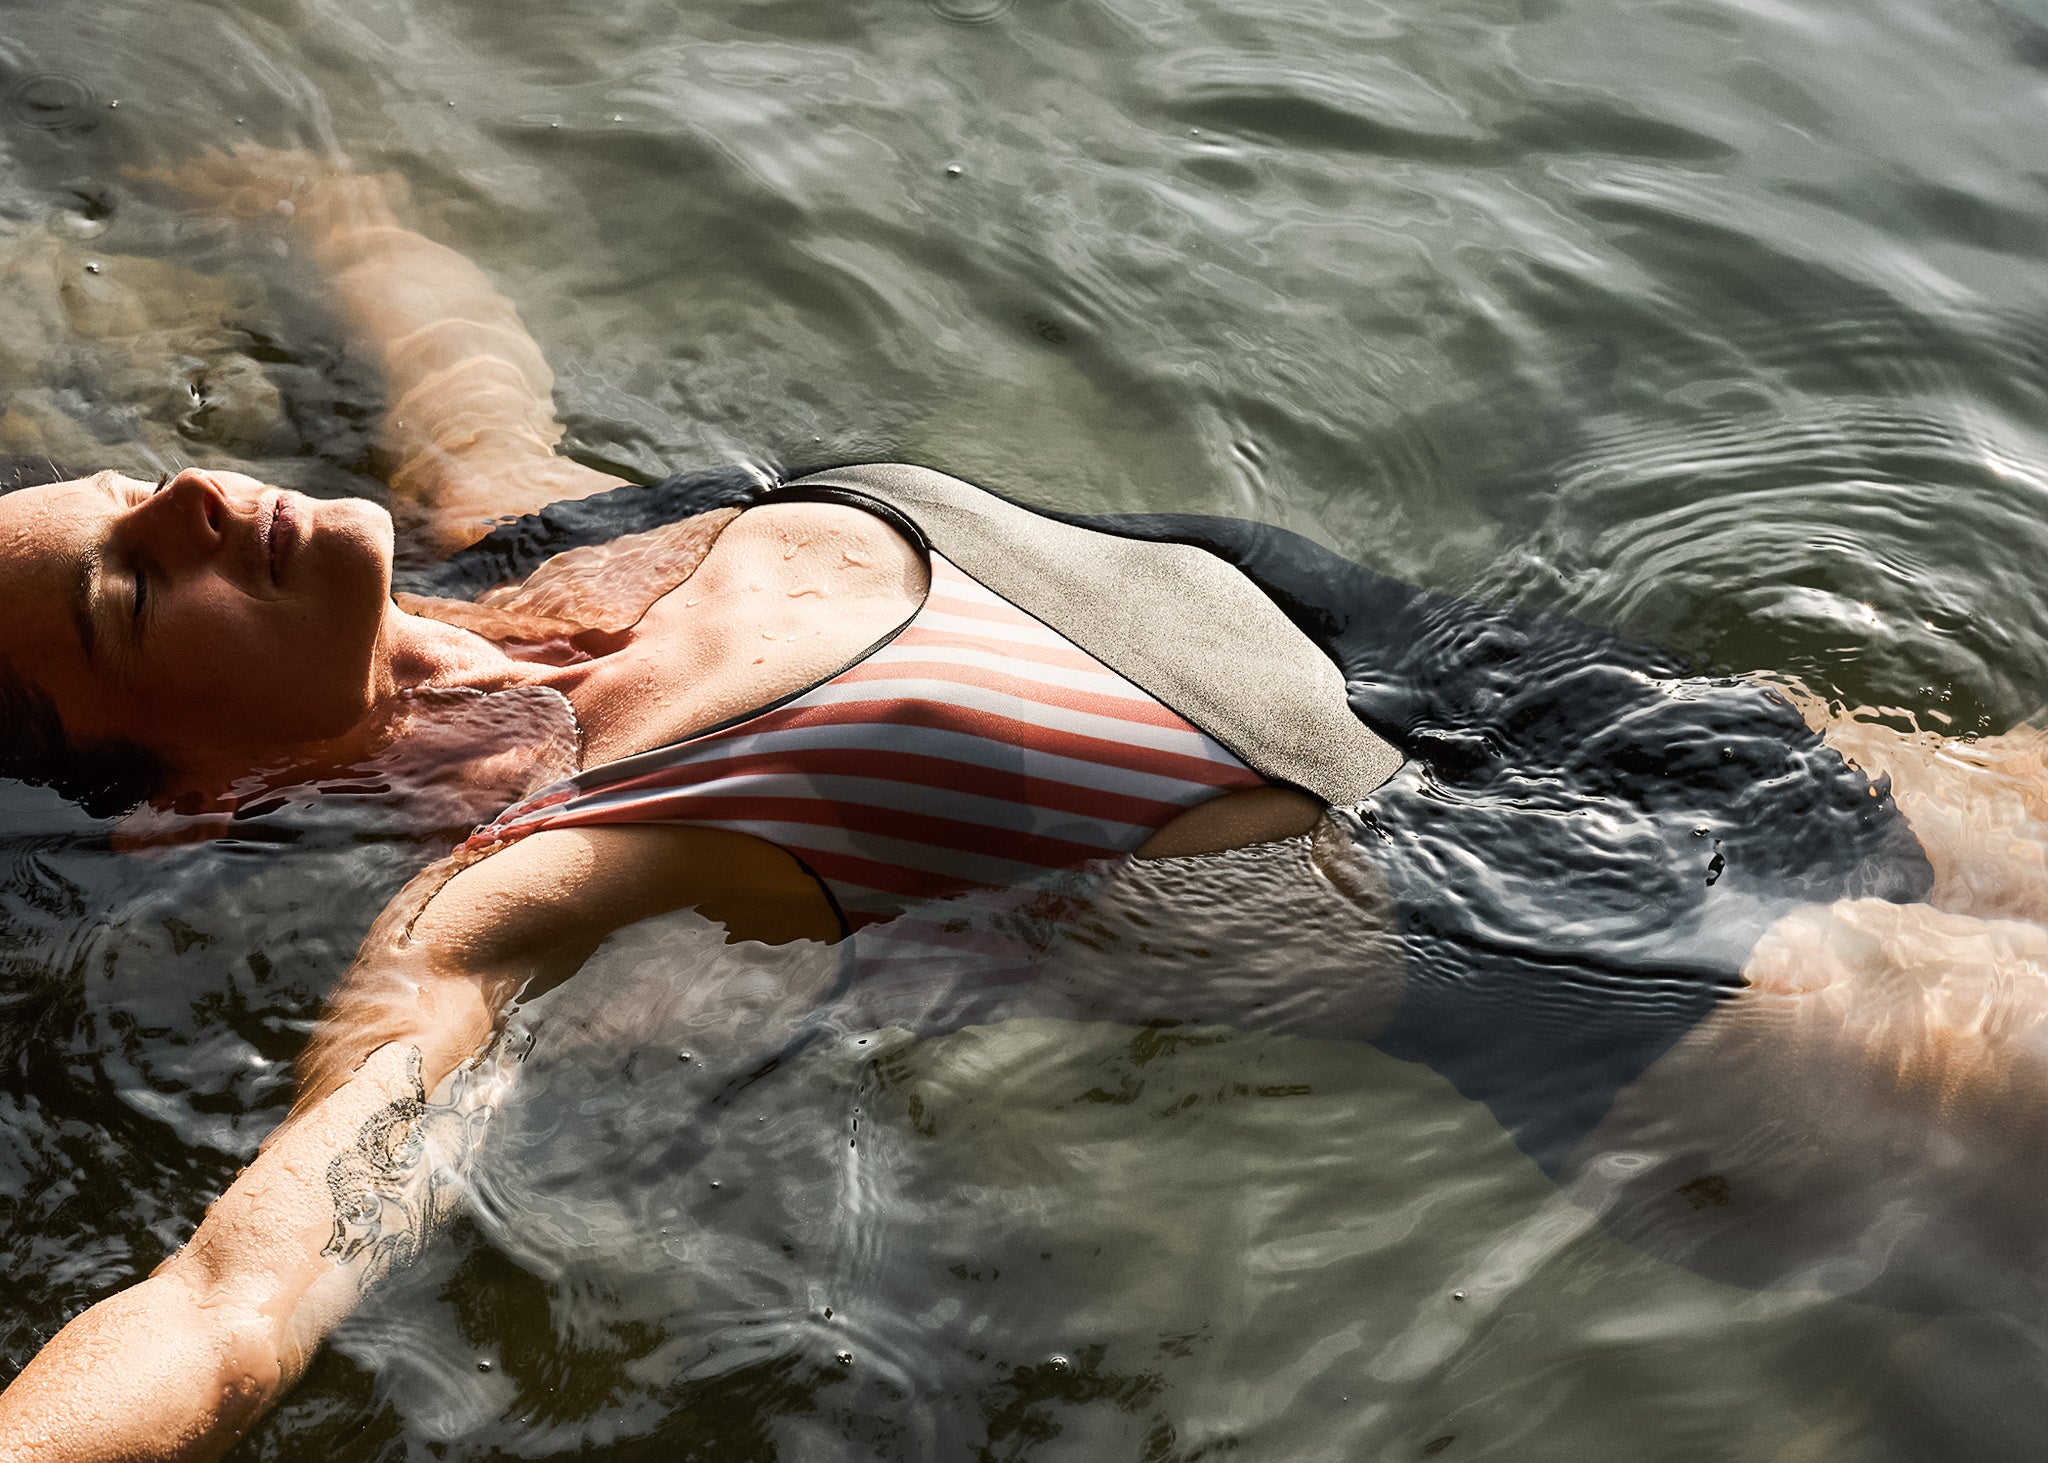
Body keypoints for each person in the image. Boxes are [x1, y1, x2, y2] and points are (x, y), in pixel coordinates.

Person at [4, 148, 2048, 1459]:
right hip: (1713, 997)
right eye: (126, 587)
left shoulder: (541, 541)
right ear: (185, 811)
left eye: (120, 496)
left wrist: (325, 213)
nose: (182, 497)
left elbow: (456, 359)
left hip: (1677, 746)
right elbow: (235, 1305)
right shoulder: (527, 891)